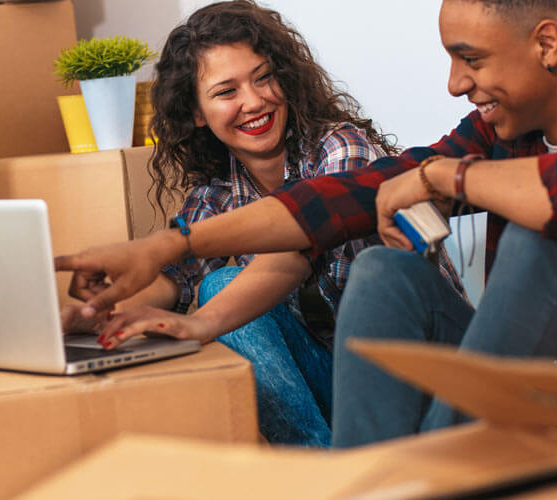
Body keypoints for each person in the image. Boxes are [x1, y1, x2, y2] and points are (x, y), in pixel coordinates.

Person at [57, 0, 557, 449]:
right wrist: (170, 244)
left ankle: (439, 473)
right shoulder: (498, 134)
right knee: (382, 269)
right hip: (550, 394)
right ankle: (373, 477)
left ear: (546, 43)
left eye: (472, 59)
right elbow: (339, 200)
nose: (458, 83)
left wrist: (447, 178)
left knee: (546, 226)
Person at [61, 0, 468, 448]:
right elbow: (170, 281)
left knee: (221, 292)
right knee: (215, 284)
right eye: (226, 91)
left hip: (423, 382)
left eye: (264, 77)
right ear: (196, 113)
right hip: (341, 386)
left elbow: (297, 247)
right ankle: (321, 472)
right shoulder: (218, 195)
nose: (254, 101)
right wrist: (97, 313)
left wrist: (203, 317)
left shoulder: (341, 149)